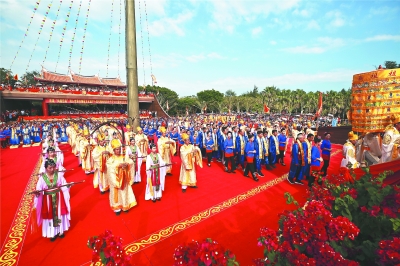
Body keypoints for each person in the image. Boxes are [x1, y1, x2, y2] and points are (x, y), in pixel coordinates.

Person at [33, 159, 71, 241]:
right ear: (46, 168)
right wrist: (37, 193)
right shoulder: (42, 178)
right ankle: (52, 233)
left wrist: (68, 185)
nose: (52, 169)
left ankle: (60, 231)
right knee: (50, 216)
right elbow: (39, 189)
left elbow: (63, 184)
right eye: (50, 168)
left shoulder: (59, 175)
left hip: (58, 198)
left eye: (53, 167)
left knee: (59, 214)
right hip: (47, 201)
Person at [106, 139, 137, 215]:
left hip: (124, 179)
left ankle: (125, 205)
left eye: (119, 149)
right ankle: (117, 208)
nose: (118, 151)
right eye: (116, 149)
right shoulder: (110, 160)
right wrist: (118, 166)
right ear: (113, 150)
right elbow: (110, 169)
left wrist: (127, 164)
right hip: (116, 180)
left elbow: (131, 162)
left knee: (124, 192)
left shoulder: (124, 157)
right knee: (117, 193)